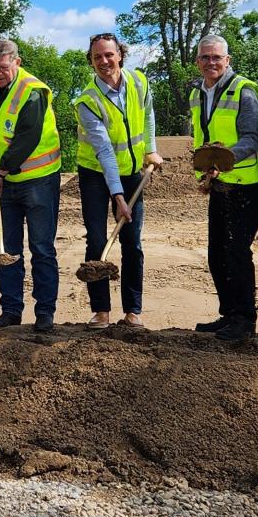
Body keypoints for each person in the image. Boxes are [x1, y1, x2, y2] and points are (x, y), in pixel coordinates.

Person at [75, 31, 161, 329]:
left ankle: (133, 311)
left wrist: (150, 149)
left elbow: (148, 115)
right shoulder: (87, 100)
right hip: (95, 173)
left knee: (131, 242)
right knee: (97, 240)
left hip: (133, 171)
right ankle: (101, 310)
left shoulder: (139, 81)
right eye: (97, 56)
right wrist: (118, 196)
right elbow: (104, 152)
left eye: (109, 54)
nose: (104, 61)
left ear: (120, 54)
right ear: (91, 61)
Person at [189, 35, 258, 343]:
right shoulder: (198, 93)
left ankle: (244, 319)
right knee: (216, 253)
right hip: (221, 181)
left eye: (217, 57)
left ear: (228, 60)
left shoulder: (244, 91)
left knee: (236, 252)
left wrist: (223, 161)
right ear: (198, 62)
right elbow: (203, 135)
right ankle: (228, 314)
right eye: (205, 58)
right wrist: (208, 171)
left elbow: (251, 136)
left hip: (246, 183)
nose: (211, 62)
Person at [0, 38, 63, 332]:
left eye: (3, 68)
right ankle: (11, 309)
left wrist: (0, 174)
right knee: (7, 247)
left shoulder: (33, 92)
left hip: (39, 179)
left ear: (17, 61)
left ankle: (44, 312)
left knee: (41, 247)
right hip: (6, 178)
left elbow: (26, 138)